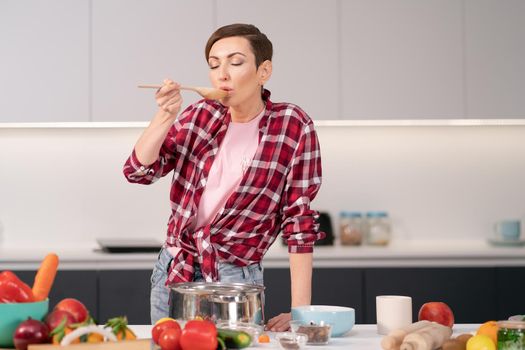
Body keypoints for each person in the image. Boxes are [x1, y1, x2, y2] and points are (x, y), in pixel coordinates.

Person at [123, 23, 324, 332]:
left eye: (236, 62)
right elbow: (138, 171)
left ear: (263, 71)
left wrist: (301, 312)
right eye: (214, 65)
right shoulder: (199, 115)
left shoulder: (292, 125)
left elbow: (298, 222)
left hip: (234, 282)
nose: (222, 74)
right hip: (174, 270)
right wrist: (165, 116)